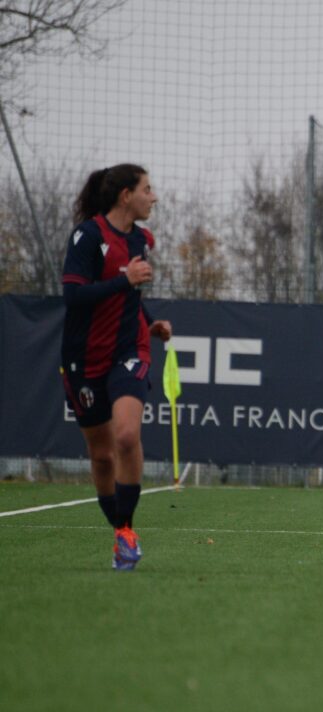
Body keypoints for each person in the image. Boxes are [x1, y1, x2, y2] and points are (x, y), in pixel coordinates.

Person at [60, 164, 172, 570]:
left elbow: (127, 300)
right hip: (83, 358)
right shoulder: (87, 236)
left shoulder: (141, 239)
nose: (153, 196)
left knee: (126, 435)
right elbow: (74, 297)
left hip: (129, 351)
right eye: (147, 189)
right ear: (126, 195)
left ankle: (125, 532)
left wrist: (150, 322)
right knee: (103, 456)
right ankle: (122, 531)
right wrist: (125, 280)